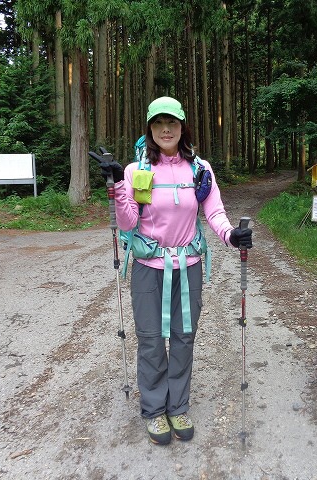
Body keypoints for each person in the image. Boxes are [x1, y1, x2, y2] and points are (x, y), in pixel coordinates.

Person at [98, 96, 253, 445]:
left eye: (172, 122)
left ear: (182, 127)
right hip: (148, 267)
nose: (165, 129)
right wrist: (119, 186)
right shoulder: (138, 170)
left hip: (188, 266)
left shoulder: (200, 169)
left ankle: (177, 405)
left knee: (184, 339)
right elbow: (127, 222)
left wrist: (232, 235)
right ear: (150, 130)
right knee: (152, 340)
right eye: (158, 123)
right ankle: (154, 410)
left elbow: (214, 213)